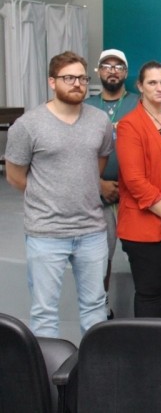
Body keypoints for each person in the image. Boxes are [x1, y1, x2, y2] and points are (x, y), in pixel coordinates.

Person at [5, 51, 113, 337]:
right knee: (44, 311)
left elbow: (98, 164)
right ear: (52, 82)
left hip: (91, 230)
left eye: (82, 78)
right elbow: (15, 176)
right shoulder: (28, 125)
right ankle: (47, 366)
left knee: (95, 307)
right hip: (46, 232)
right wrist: (49, 194)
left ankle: (94, 362)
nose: (77, 84)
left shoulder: (99, 120)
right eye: (69, 78)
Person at [116, 61, 161, 318]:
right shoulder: (130, 125)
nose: (159, 88)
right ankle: (146, 343)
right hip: (147, 222)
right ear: (140, 86)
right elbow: (134, 180)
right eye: (152, 83)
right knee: (150, 292)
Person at [84, 49, 138, 319]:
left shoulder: (139, 103)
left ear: (126, 73)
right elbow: (75, 152)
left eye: (118, 67)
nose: (113, 71)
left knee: (141, 255)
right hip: (98, 194)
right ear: (98, 71)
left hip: (134, 194)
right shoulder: (86, 106)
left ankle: (145, 309)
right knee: (99, 256)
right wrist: (98, 184)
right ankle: (101, 306)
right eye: (107, 66)